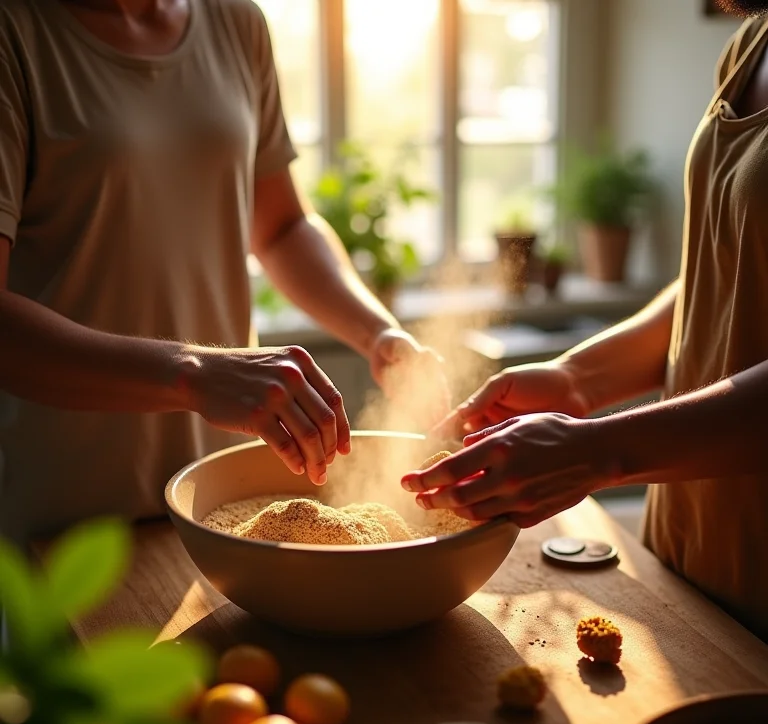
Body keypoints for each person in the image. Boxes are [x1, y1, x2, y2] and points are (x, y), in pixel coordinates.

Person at [0, 0, 445, 546]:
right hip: (68, 511)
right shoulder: (15, 33)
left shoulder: (237, 22)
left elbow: (282, 227)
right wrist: (194, 372)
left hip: (217, 501)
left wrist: (377, 333)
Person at [402, 0, 768, 643]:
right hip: (689, 561)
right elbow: (725, 277)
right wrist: (576, 381)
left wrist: (598, 450)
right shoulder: (752, 44)